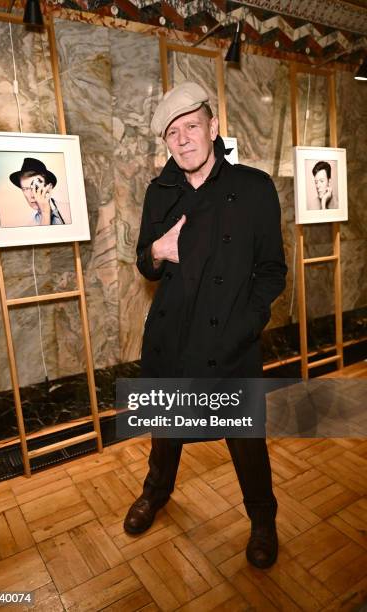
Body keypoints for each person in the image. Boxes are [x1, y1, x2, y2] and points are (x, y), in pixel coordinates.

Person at [124, 82, 287, 569]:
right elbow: (144, 263)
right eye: (173, 133)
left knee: (246, 440)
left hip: (232, 341)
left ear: (213, 127)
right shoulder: (161, 191)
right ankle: (156, 493)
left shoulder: (255, 189)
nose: (183, 139)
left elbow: (272, 270)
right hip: (173, 337)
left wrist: (248, 322)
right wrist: (156, 251)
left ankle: (262, 520)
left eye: (192, 125)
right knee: (165, 429)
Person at [10, 157, 66, 225]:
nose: (32, 195)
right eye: (26, 189)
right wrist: (45, 212)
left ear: (49, 188)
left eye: (36, 187)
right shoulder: (31, 226)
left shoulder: (70, 211)